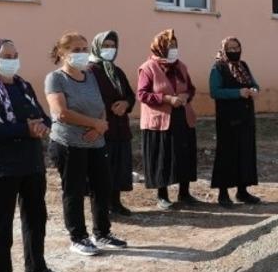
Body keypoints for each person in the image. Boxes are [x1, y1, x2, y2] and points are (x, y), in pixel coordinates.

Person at [0, 38, 59, 272]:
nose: (12, 60)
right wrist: (24, 129)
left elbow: (42, 116)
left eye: (15, 55)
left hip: (30, 162)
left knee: (35, 216)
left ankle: (36, 266)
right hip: (0, 165)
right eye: (6, 55)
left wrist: (42, 125)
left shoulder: (24, 86)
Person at [45, 32, 128, 256]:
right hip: (69, 143)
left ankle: (102, 233)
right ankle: (78, 237)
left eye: (84, 49)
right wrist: (94, 124)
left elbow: (99, 104)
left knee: (102, 188)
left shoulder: (89, 75)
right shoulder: (56, 78)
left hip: (96, 140)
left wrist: (98, 127)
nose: (82, 54)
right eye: (76, 50)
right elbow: (61, 112)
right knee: (73, 190)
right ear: (63, 53)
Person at [137, 30, 200, 210]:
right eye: (170, 46)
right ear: (160, 47)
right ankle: (162, 196)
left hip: (182, 117)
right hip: (160, 121)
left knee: (184, 155)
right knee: (163, 156)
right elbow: (142, 94)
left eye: (175, 46)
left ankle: (185, 193)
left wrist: (186, 96)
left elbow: (191, 88)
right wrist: (167, 99)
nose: (174, 50)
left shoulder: (181, 67)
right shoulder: (148, 68)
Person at [88, 31, 137, 216]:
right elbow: (88, 98)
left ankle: (116, 202)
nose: (109, 50)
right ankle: (102, 206)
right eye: (105, 46)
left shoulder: (117, 71)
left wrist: (126, 104)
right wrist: (109, 108)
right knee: (102, 169)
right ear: (97, 47)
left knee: (119, 166)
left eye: (112, 46)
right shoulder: (90, 71)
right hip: (103, 128)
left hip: (120, 128)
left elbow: (131, 95)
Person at [210, 36, 262, 207]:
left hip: (246, 117)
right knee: (227, 153)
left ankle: (242, 191)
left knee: (245, 152)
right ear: (224, 49)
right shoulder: (218, 67)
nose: (234, 51)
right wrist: (237, 93)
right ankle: (223, 193)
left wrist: (254, 90)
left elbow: (254, 84)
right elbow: (215, 91)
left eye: (236, 47)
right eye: (230, 48)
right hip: (228, 119)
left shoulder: (243, 66)